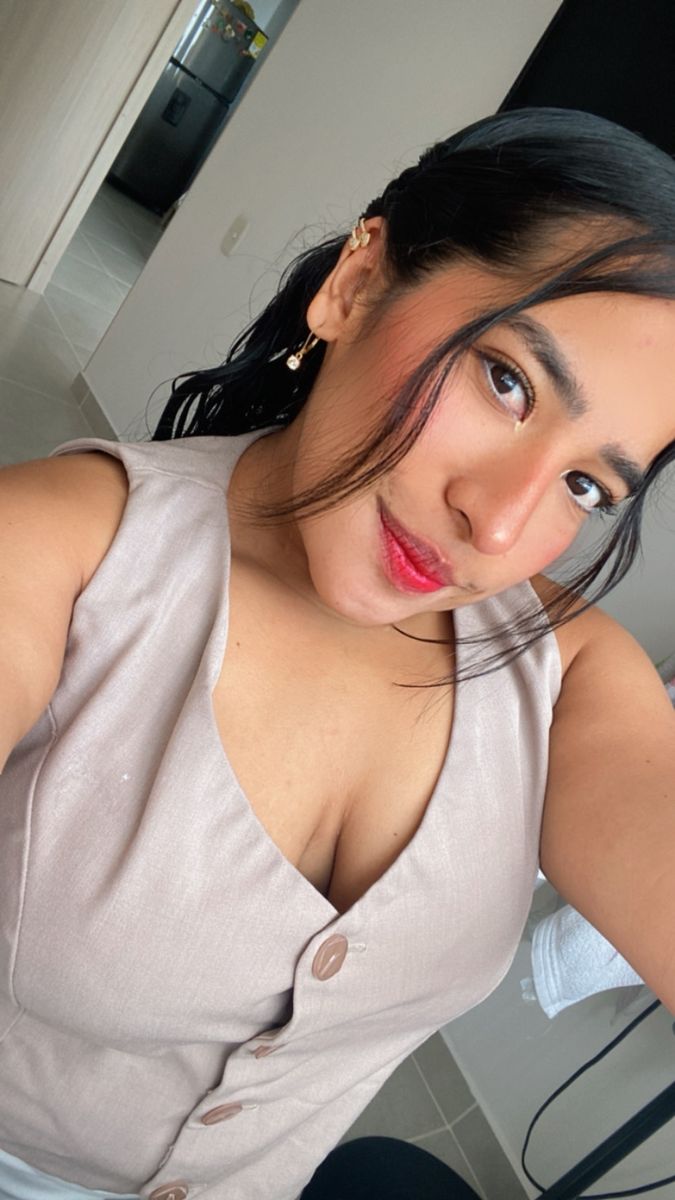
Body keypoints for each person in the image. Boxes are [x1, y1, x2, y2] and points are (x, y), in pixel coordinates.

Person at [0, 107, 674, 1200]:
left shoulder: (571, 677)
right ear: (356, 284)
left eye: (585, 485)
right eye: (506, 380)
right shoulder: (58, 550)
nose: (499, 523)